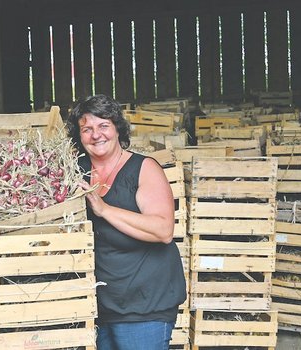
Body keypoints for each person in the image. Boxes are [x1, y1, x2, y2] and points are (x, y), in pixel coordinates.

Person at [68, 95, 186, 350]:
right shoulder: (75, 170)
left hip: (145, 303)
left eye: (103, 126)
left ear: (117, 129)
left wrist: (104, 209)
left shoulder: (144, 168)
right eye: (87, 129)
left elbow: (164, 230)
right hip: (99, 304)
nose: (96, 135)